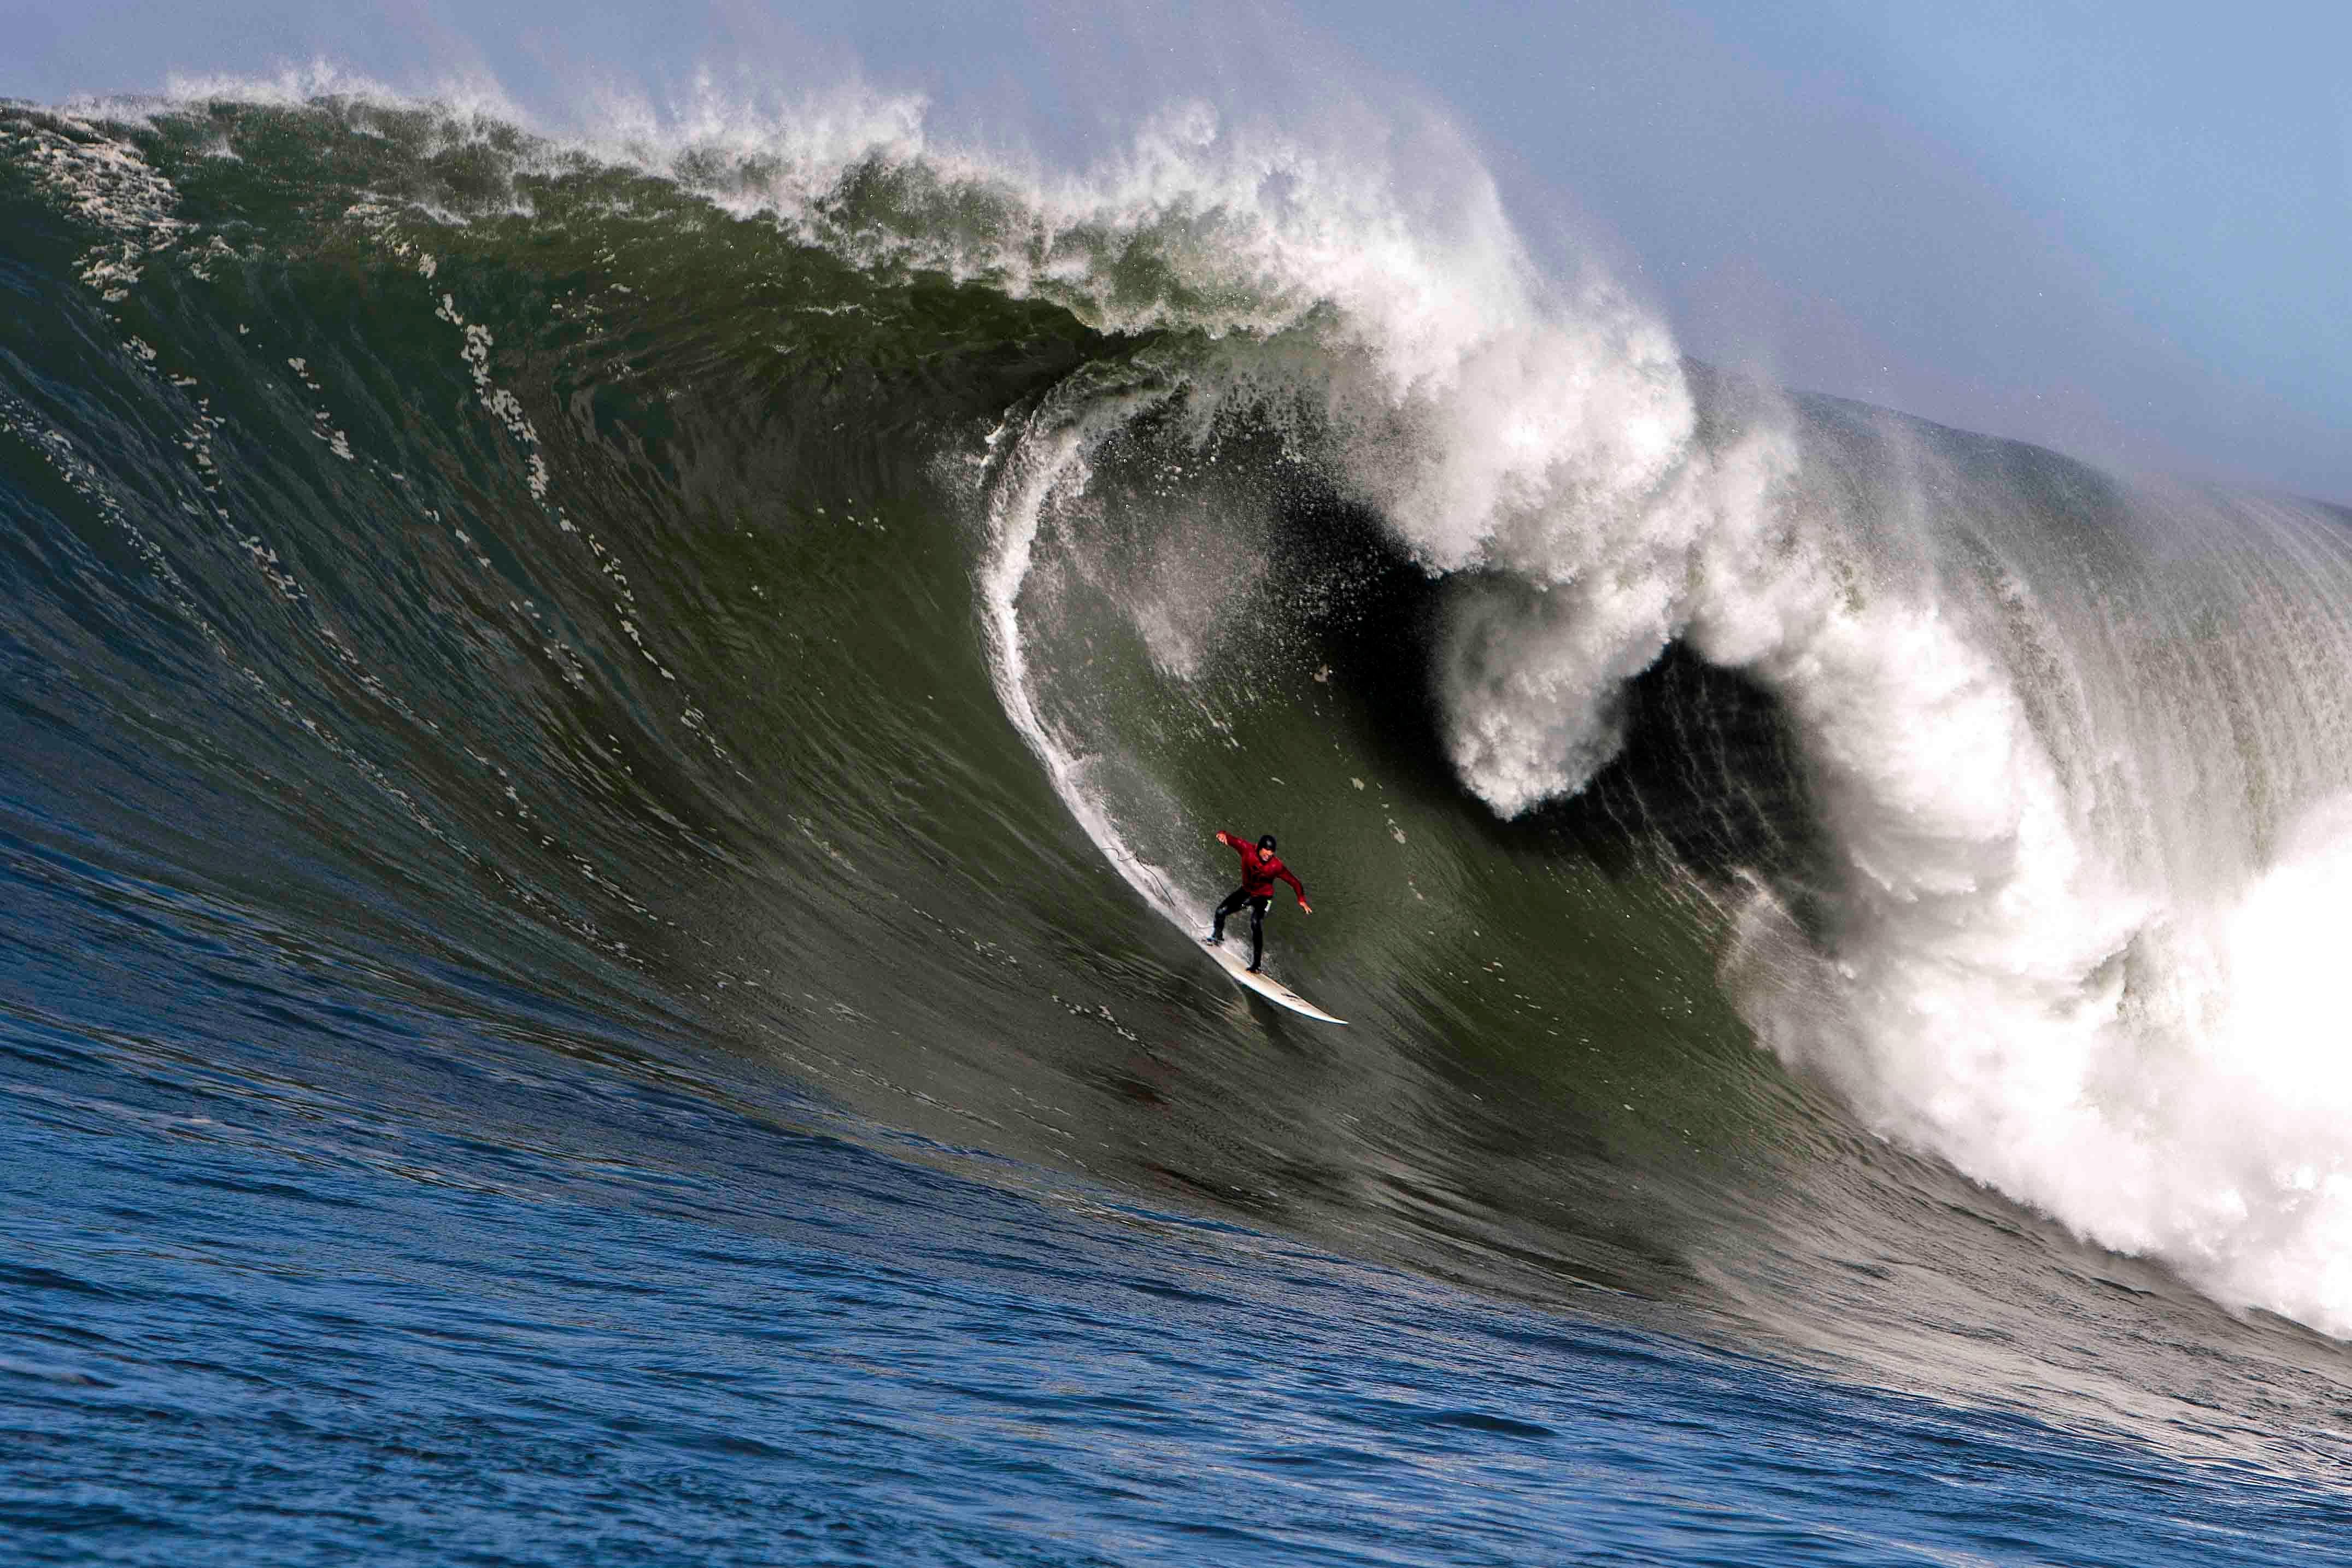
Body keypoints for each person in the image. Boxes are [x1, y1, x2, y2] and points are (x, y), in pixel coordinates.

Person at [1206, 830, 1311, 973]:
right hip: (1246, 892)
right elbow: (1232, 839)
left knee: (1255, 923)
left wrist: (1301, 899)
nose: (1269, 854)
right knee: (1220, 912)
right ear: (1259, 847)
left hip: (1264, 898)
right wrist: (1223, 834)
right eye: (1267, 850)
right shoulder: (1247, 850)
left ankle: (1256, 965)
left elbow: (1294, 882)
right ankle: (1217, 938)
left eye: (1272, 852)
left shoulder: (1276, 866)